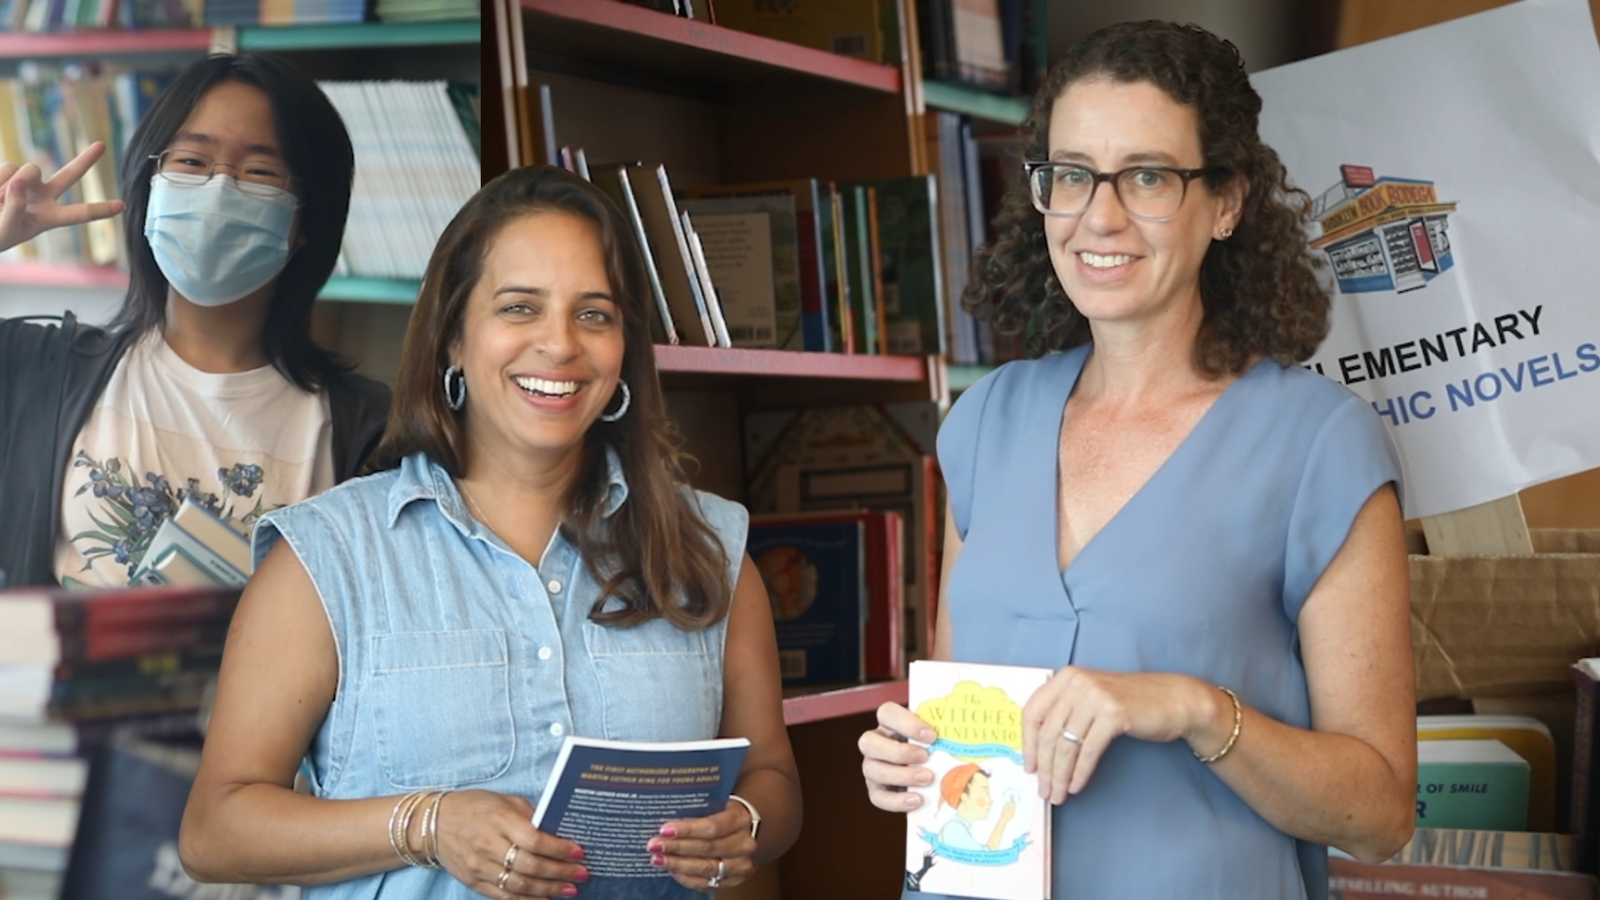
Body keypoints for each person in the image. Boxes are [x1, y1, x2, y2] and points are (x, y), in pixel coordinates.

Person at [859, 20, 1415, 899]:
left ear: (1226, 202)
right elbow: (965, 718)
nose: (1100, 215)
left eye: (1148, 176)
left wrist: (1197, 710)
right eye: (1072, 174)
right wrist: (910, 761)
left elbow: (1381, 816)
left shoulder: (1319, 444)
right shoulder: (984, 421)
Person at [177, 164, 802, 898]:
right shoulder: (329, 557)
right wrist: (426, 825)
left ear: (624, 349)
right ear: (453, 338)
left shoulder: (710, 549)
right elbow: (214, 832)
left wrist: (744, 823)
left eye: (594, 315)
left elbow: (774, 779)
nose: (560, 345)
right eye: (519, 308)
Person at [0, 54, 391, 589]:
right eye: (191, 161)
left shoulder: (366, 432)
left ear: (307, 218)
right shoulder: (39, 369)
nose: (219, 189)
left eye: (259, 171)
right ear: (150, 186)